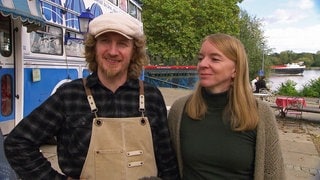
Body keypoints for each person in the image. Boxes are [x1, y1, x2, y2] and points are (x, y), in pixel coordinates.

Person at [4, 13, 179, 179]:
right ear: (93, 48)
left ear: (134, 51)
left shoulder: (151, 97)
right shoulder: (70, 96)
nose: (112, 51)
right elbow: (17, 144)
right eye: (105, 41)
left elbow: (167, 162)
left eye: (122, 44)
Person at [167, 33, 285, 179]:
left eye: (215, 59)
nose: (202, 64)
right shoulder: (180, 110)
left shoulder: (261, 113)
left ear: (235, 69)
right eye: (200, 58)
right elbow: (169, 168)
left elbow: (273, 173)